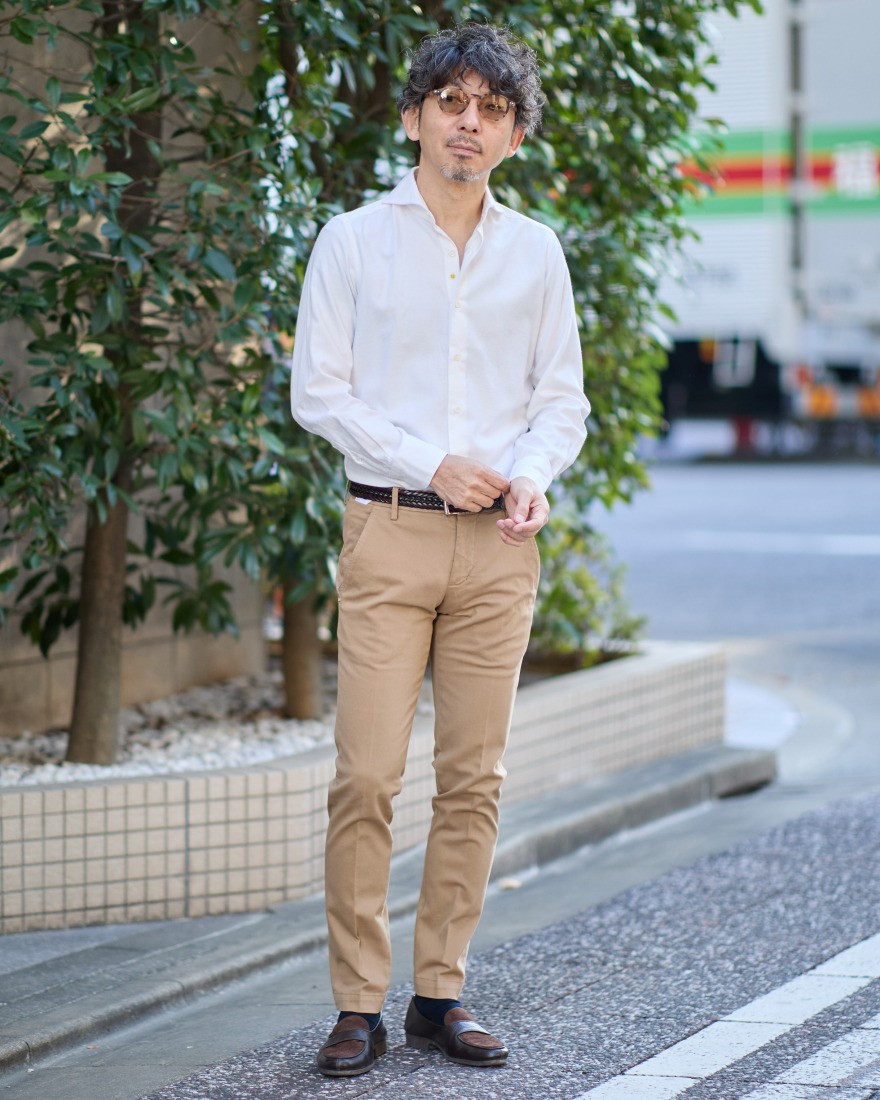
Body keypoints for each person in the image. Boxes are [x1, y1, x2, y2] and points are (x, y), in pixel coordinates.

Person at [290, 22, 590, 1077]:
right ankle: (355, 1003)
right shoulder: (351, 241)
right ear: (414, 117)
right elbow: (319, 391)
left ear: (514, 136)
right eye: (451, 102)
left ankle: (438, 994)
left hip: (499, 548)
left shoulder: (536, 253)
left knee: (474, 779)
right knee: (366, 775)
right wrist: (433, 461)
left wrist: (532, 473)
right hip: (390, 530)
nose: (470, 123)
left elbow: (561, 400)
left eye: (493, 110)